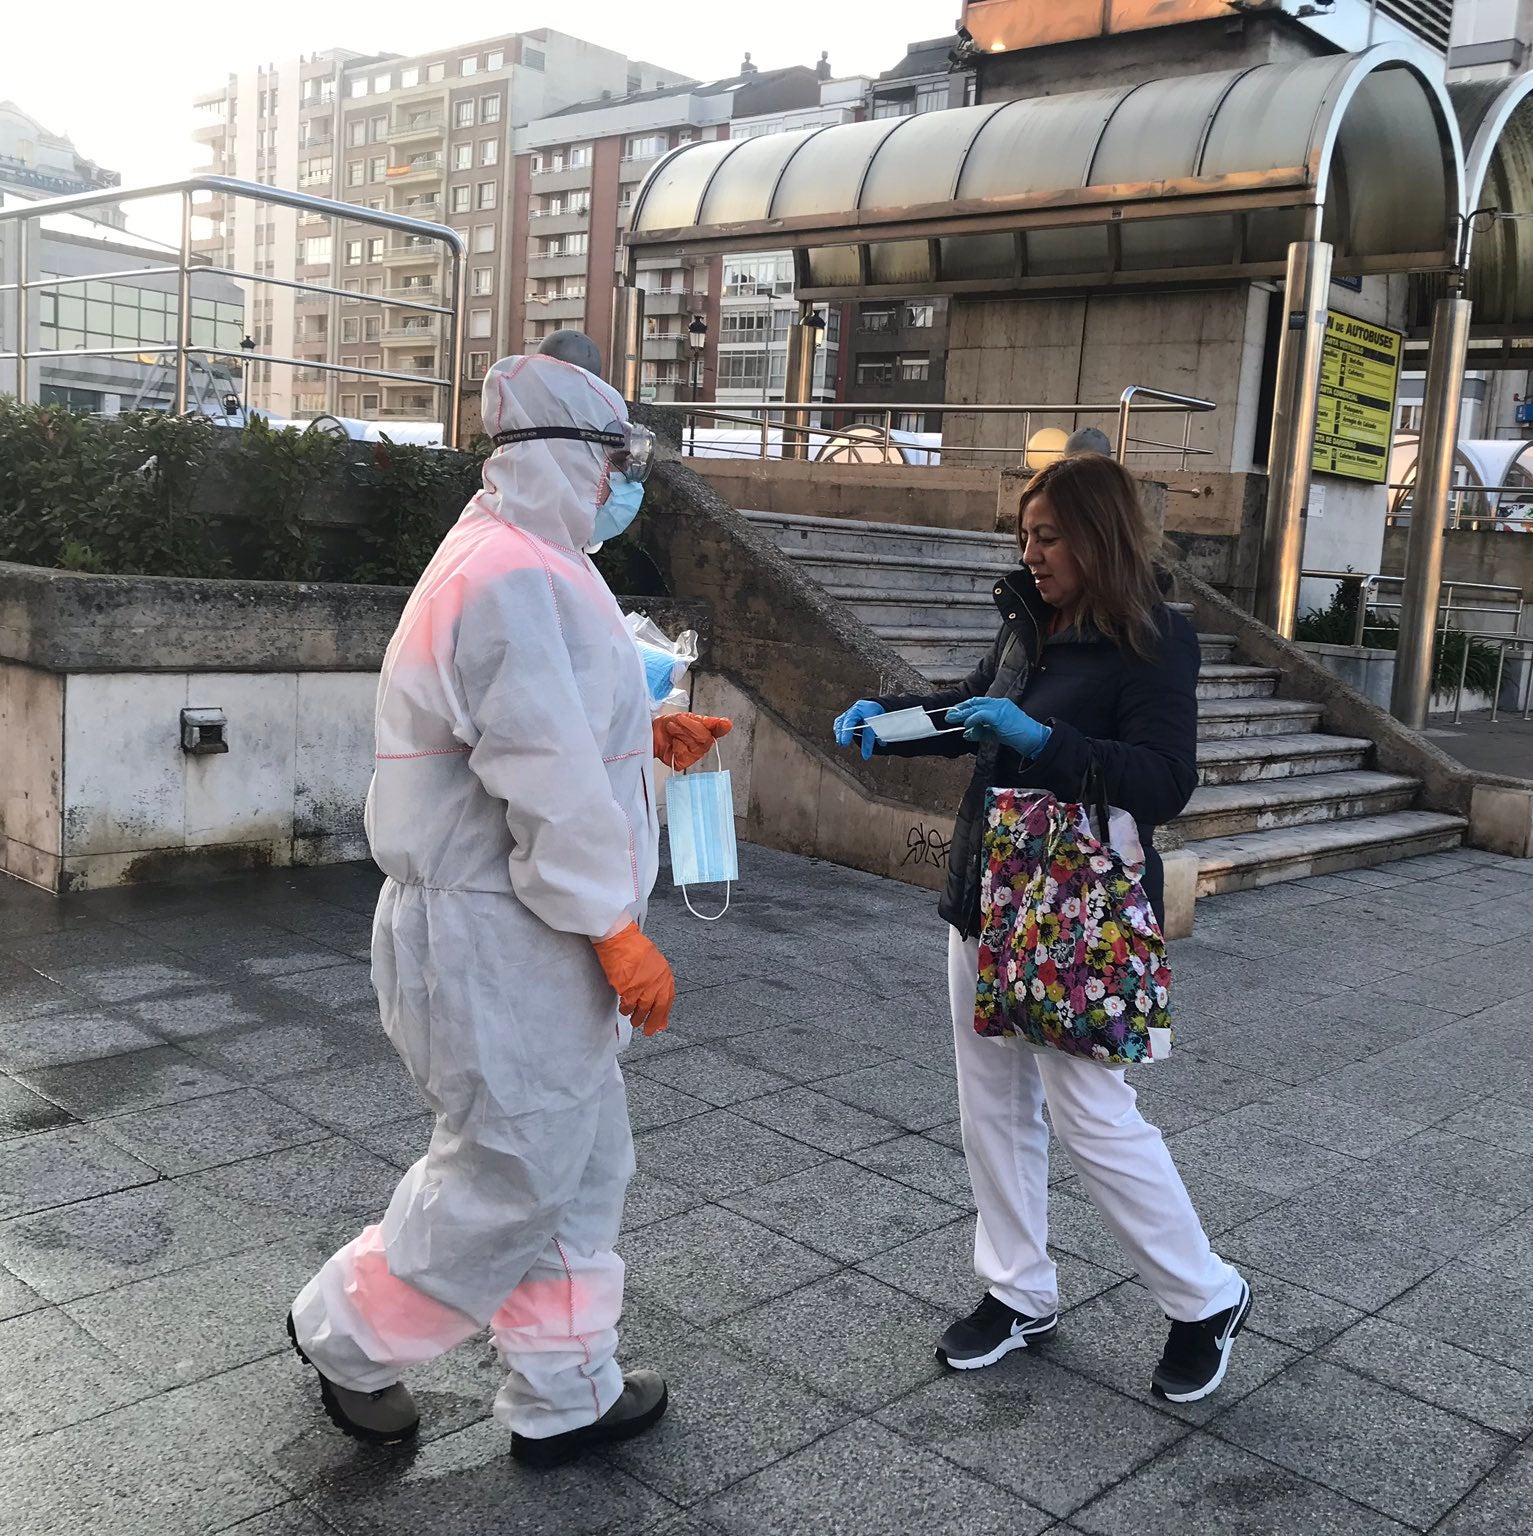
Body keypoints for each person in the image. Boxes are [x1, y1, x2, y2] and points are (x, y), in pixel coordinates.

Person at [286, 354, 730, 1464]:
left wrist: (646, 730)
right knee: (510, 1169)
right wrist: (616, 926)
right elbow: (541, 772)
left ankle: (565, 1388)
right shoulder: (504, 576)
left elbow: (573, 707)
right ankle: (343, 1337)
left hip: (528, 930)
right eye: (614, 464)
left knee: (578, 1162)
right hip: (493, 931)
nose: (622, 486)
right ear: (568, 461)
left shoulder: (534, 559)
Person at [832, 454, 1251, 1404]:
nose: (1032, 552)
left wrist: (1043, 744)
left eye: (1049, 536)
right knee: (992, 1109)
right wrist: (889, 718)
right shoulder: (1028, 623)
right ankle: (1018, 1290)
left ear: (1099, 536)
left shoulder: (1154, 639)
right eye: (1024, 536)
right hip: (988, 893)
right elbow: (970, 712)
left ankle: (1204, 1296)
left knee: (1092, 1113)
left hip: (1074, 912)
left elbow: (1160, 782)